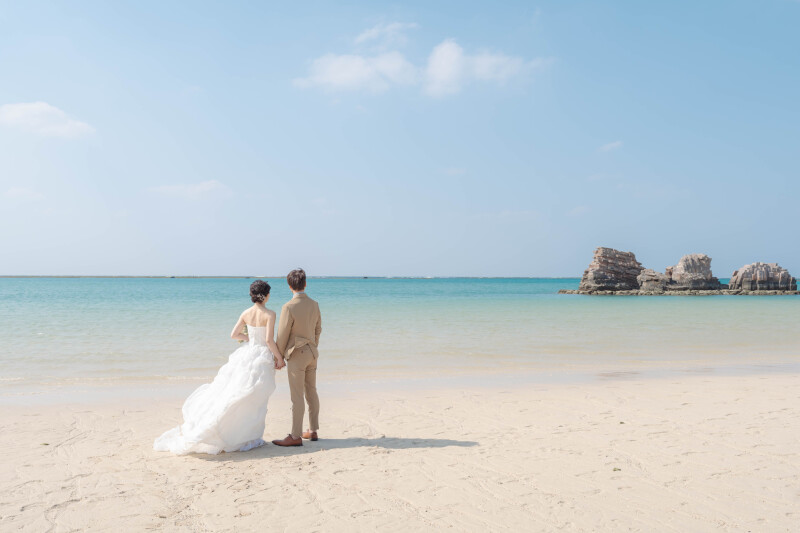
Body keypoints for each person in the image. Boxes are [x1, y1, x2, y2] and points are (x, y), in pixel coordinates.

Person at [154, 280, 284, 455]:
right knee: (255, 398)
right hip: (261, 357)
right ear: (266, 295)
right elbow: (269, 340)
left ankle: (239, 433)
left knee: (236, 393)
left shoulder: (246, 313)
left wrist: (250, 339)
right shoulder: (270, 314)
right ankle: (249, 436)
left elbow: (234, 334)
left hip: (247, 355)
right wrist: (279, 358)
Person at [272, 269, 322, 447]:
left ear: (289, 286)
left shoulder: (289, 307)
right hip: (312, 353)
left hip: (297, 354)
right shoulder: (314, 304)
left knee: (297, 396)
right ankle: (313, 430)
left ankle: (295, 435)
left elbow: (283, 334)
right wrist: (313, 345)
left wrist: (278, 357)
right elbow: (318, 329)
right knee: (311, 391)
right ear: (305, 284)